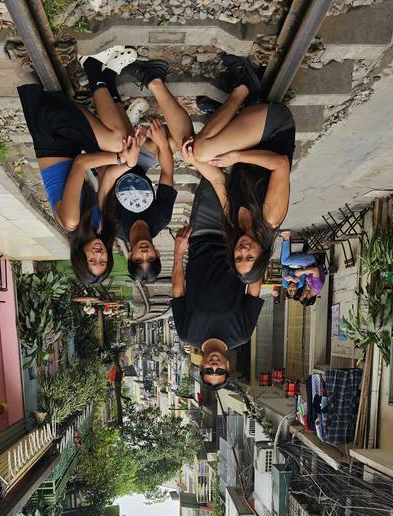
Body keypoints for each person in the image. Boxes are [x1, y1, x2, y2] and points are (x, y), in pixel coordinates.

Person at [169, 56, 271, 384]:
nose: (214, 366)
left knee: (210, 175)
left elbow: (178, 289)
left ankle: (231, 110)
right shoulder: (241, 333)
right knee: (231, 174)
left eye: (208, 371)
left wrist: (180, 249)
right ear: (228, 366)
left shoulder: (187, 334)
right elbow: (254, 286)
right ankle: (238, 113)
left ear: (201, 366)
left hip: (203, 236)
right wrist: (261, 243)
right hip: (238, 239)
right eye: (220, 371)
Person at [17, 45, 139, 285]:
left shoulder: (72, 222)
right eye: (103, 261)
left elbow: (82, 163)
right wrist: (129, 161)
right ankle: (106, 77)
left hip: (51, 131)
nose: (98, 255)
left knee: (118, 143)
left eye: (92, 261)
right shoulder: (97, 226)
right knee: (126, 143)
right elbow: (107, 178)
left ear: (80, 258)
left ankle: (93, 66)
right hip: (69, 142)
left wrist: (120, 158)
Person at [192, 55, 296, 284]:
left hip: (247, 141)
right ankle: (244, 87)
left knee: (192, 150)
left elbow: (218, 181)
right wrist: (237, 156)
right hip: (273, 130)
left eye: (239, 257)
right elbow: (281, 165)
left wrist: (190, 159)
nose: (244, 250)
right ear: (261, 255)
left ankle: (228, 116)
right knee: (202, 149)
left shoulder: (232, 223)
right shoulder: (270, 219)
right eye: (250, 256)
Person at [98, 117, 178, 283]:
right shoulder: (161, 218)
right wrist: (161, 143)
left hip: (112, 161)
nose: (144, 253)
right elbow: (167, 174)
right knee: (173, 144)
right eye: (150, 258)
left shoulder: (114, 226)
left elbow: (105, 177)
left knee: (118, 140)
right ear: (157, 253)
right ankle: (136, 131)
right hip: (140, 165)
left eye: (138, 259)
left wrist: (127, 154)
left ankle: (129, 126)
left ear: (130, 256)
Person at [280, 231, 326, 304]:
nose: (302, 293)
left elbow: (285, 270)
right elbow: (315, 270)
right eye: (302, 295)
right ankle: (286, 237)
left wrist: (296, 277)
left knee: (285, 261)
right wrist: (301, 272)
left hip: (306, 264)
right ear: (307, 297)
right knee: (285, 261)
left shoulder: (311, 288)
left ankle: (286, 239)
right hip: (311, 261)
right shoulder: (317, 288)